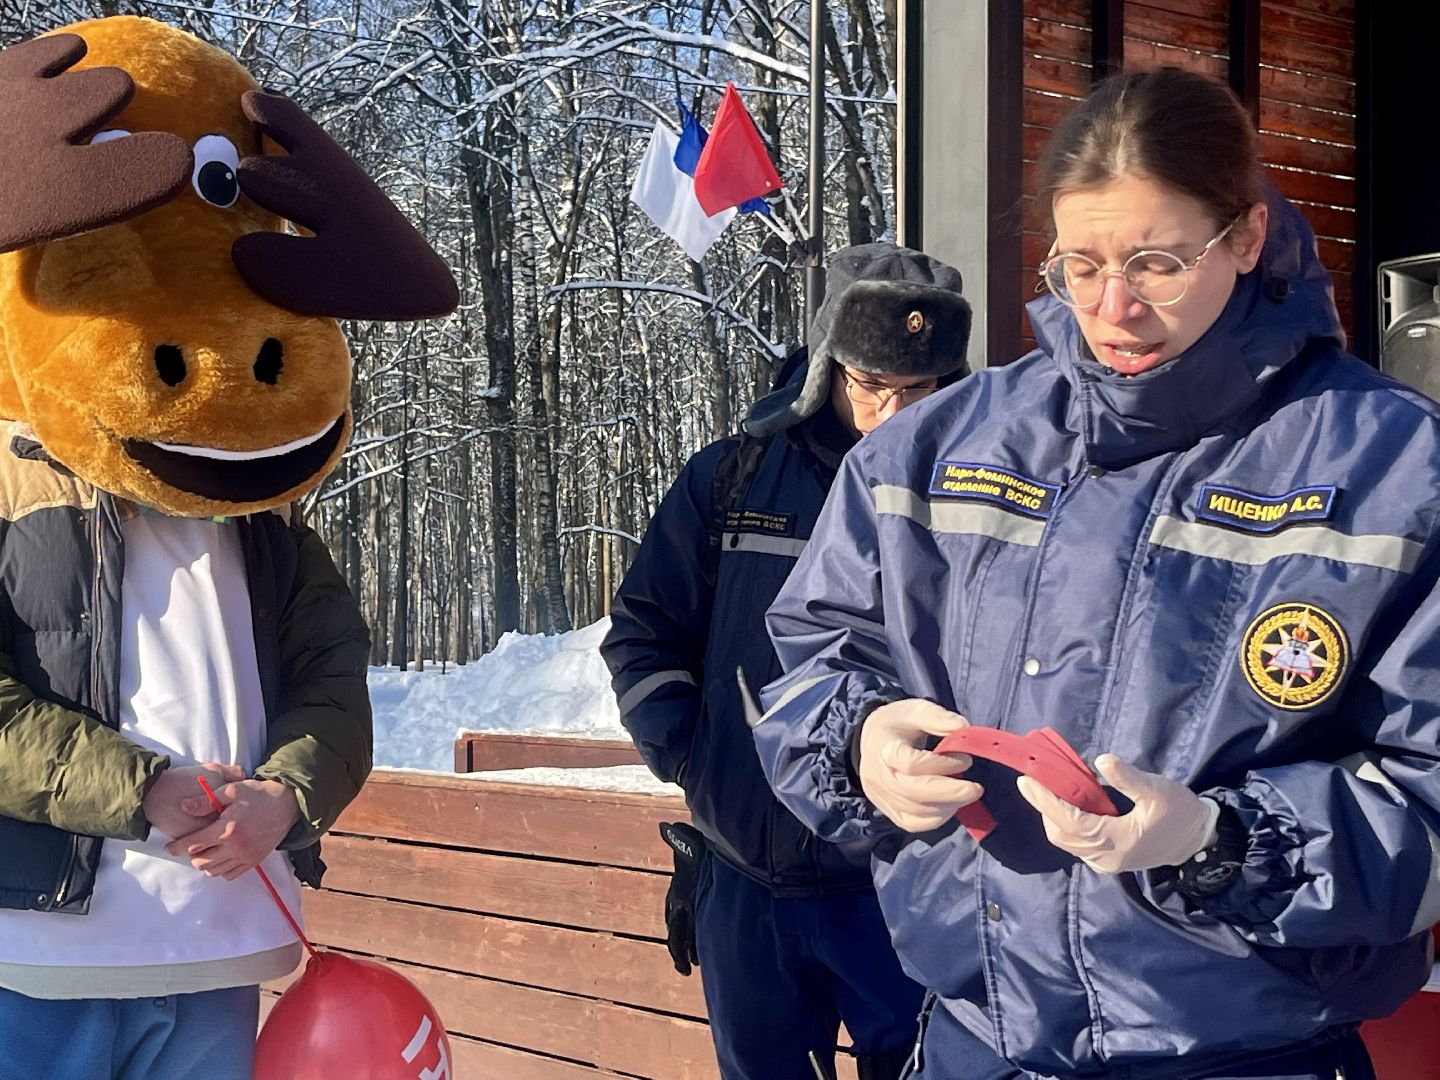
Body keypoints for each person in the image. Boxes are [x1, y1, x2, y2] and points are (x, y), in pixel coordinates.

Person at [753, 67, 1440, 1080]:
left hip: (1251, 1056)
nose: (1114, 308)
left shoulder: (1395, 467)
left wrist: (1221, 842)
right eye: (1081, 265)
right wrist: (860, 741)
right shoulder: (936, 447)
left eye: (1158, 263)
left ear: (1247, 237)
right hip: (975, 1043)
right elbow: (814, 654)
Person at [602, 243, 973, 1080]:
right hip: (745, 881)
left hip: (901, 881)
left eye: (917, 390)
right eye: (869, 384)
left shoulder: (978, 499)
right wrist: (693, 759)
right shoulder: (731, 477)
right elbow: (644, 629)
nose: (890, 413)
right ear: (828, 364)